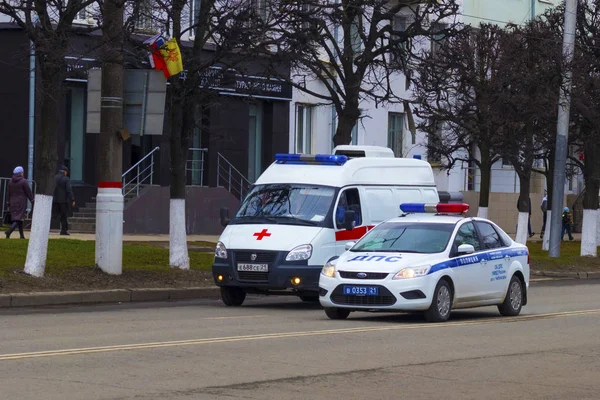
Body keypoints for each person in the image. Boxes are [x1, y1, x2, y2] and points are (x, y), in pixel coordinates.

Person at [5, 166, 34, 239]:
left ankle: (22, 236)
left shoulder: (10, 181)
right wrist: (32, 200)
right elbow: (28, 192)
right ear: (21, 173)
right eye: (22, 172)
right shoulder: (23, 181)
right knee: (18, 219)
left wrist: (8, 201)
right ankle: (9, 231)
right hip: (21, 202)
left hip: (12, 201)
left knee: (19, 218)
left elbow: (8, 192)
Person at [53, 165, 75, 236]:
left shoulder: (54, 178)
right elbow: (69, 190)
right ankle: (64, 230)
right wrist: (72, 199)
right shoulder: (66, 179)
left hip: (55, 200)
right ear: (65, 172)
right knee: (64, 216)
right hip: (63, 201)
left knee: (54, 215)